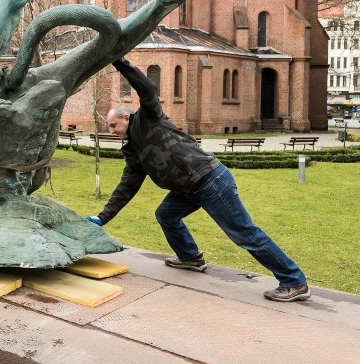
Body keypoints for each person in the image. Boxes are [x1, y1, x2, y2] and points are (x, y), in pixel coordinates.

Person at [86, 59, 310, 303]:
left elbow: (147, 89)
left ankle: (293, 281)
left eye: (113, 125)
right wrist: (102, 217)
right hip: (188, 188)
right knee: (166, 214)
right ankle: (191, 257)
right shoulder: (133, 151)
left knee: (244, 233)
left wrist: (120, 63)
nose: (110, 130)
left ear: (126, 118)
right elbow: (127, 187)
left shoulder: (149, 117)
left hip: (210, 180)